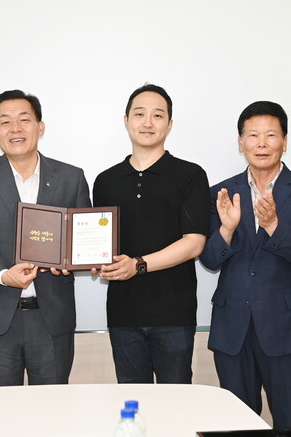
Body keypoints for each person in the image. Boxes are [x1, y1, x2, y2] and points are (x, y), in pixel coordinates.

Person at [199, 101, 291, 429]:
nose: (262, 143)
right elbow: (209, 260)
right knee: (237, 425)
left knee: (290, 423)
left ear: (285, 141)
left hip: (288, 327)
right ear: (241, 143)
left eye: (271, 135)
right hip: (232, 328)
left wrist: (273, 227)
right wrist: (227, 229)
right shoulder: (220, 193)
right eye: (253, 135)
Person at [0, 89, 91, 386]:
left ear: (40, 127)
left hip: (52, 319)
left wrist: (70, 261)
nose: (15, 128)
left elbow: (82, 238)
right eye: (5, 122)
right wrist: (4, 275)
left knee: (53, 407)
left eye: (24, 119)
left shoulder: (71, 177)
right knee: (1, 409)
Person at [92, 84, 210, 384]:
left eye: (157, 115)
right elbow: (101, 244)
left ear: (169, 124)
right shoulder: (105, 181)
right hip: (123, 315)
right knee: (133, 401)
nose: (148, 122)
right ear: (126, 121)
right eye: (139, 114)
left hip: (174, 314)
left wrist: (138, 265)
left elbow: (194, 243)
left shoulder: (191, 175)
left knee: (176, 402)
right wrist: (93, 260)